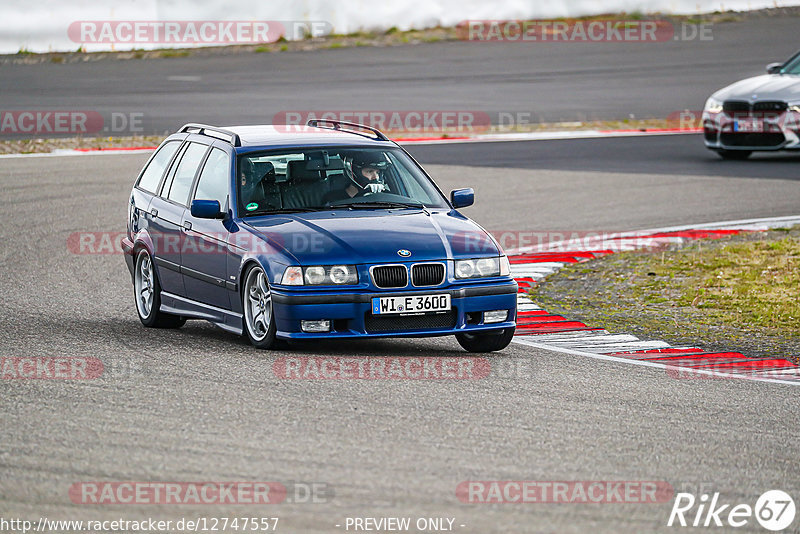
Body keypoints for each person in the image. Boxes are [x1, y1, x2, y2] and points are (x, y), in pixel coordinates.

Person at [322, 153, 389, 204]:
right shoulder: (332, 199)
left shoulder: (386, 197)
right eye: (369, 171)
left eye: (377, 172)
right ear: (354, 172)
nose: (375, 177)